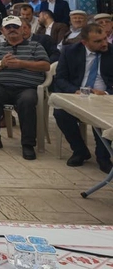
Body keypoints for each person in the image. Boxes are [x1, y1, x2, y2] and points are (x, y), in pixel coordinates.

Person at [0, 15, 50, 160]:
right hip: (2, 86)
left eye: (15, 27)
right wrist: (2, 63)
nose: (12, 29)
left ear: (22, 29)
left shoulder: (35, 46)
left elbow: (45, 65)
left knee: (27, 101)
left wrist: (22, 64)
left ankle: (28, 144)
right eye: (8, 27)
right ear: (2, 31)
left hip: (27, 87)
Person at [52, 24, 112, 171]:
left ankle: (103, 156)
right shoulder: (69, 51)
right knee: (60, 113)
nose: (104, 43)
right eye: (98, 41)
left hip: (104, 97)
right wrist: (75, 91)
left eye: (105, 38)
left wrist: (105, 93)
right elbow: (60, 78)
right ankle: (80, 150)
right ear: (84, 42)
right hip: (77, 96)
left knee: (104, 116)